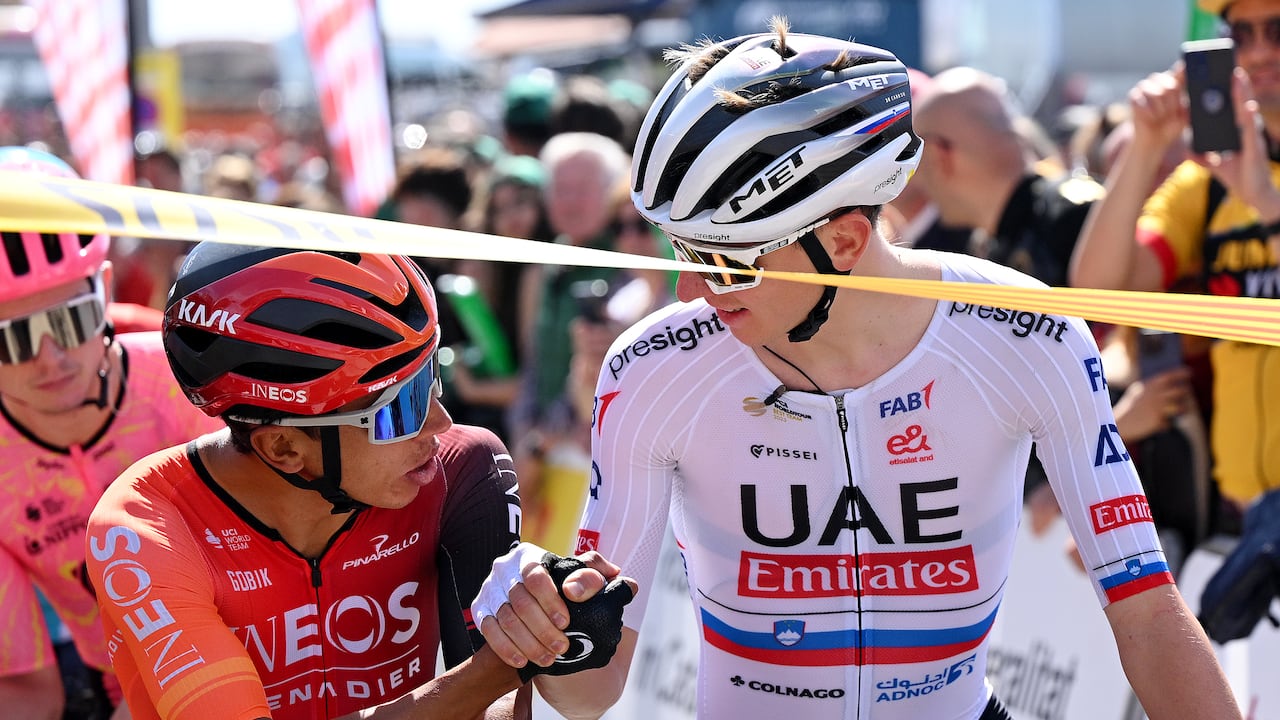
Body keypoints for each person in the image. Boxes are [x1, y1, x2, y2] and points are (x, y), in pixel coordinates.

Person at [469, 21, 1243, 720]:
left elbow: (1144, 611)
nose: (689, 292)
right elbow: (590, 693)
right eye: (680, 250)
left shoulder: (1025, 335)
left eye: (724, 263)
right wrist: (546, 627)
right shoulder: (654, 368)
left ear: (842, 242)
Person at [84, 244, 591, 719]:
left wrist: (548, 622)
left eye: (429, 376)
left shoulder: (461, 468)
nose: (440, 422)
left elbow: (500, 711)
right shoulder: (142, 528)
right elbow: (490, 681)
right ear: (284, 449)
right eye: (401, 408)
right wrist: (506, 661)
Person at [0, 145, 224, 720]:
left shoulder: (183, 379)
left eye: (71, 321)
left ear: (103, 288)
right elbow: (28, 691)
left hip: (268, 658)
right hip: (123, 694)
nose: (51, 360)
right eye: (14, 339)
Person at [1070, 0, 1280, 510]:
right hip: (1244, 516)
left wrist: (1266, 205)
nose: (1258, 51)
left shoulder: (1238, 183)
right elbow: (1098, 291)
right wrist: (1145, 145)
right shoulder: (1210, 181)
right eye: (1241, 34)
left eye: (1277, 30)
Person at [911, 67, 1103, 287]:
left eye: (918, 157)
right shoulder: (994, 242)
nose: (917, 179)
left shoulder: (1076, 218)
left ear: (938, 156)